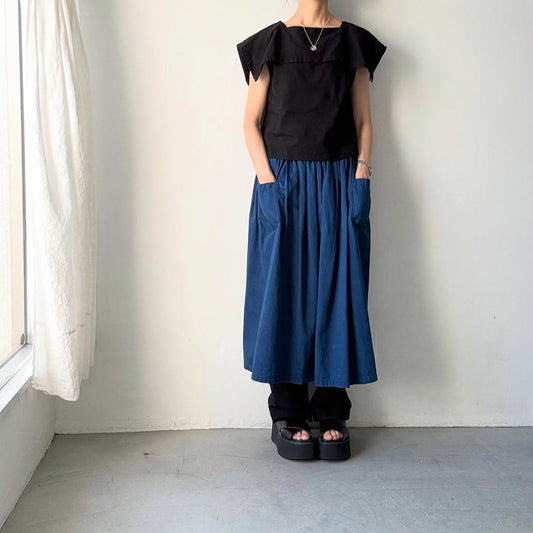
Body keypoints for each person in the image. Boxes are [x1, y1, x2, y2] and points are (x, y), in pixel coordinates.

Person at [236, 3, 387, 461]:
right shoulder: (270, 43)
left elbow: (363, 121)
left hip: (340, 178)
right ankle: (288, 412)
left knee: (338, 291)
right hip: (283, 180)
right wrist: (268, 181)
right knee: (283, 292)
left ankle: (331, 411)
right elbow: (250, 123)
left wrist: (361, 171)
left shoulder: (353, 42)